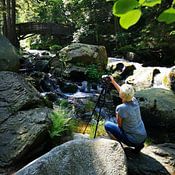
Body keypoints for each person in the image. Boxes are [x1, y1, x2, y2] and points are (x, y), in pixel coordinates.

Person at [104, 76, 147, 153]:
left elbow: (120, 125)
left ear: (122, 95)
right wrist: (113, 82)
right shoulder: (134, 100)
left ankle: (118, 148)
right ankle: (139, 146)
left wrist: (118, 114)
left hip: (132, 140)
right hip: (143, 137)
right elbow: (123, 92)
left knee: (107, 125)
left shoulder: (121, 108)